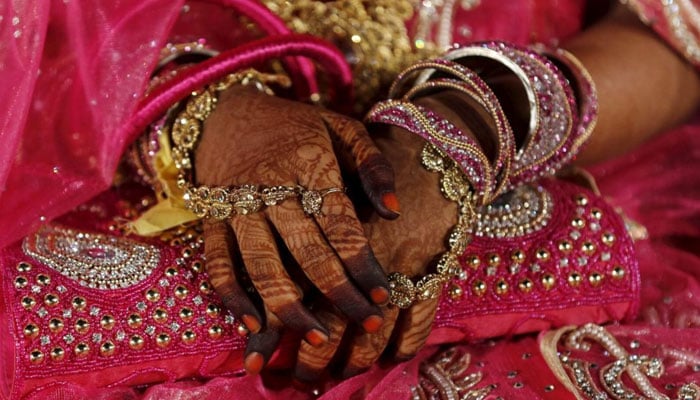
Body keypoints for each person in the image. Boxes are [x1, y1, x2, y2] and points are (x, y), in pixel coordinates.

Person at [1, 1, 700, 399]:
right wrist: (195, 117)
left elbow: (674, 32)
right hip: (90, 176)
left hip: (524, 185)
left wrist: (470, 125)